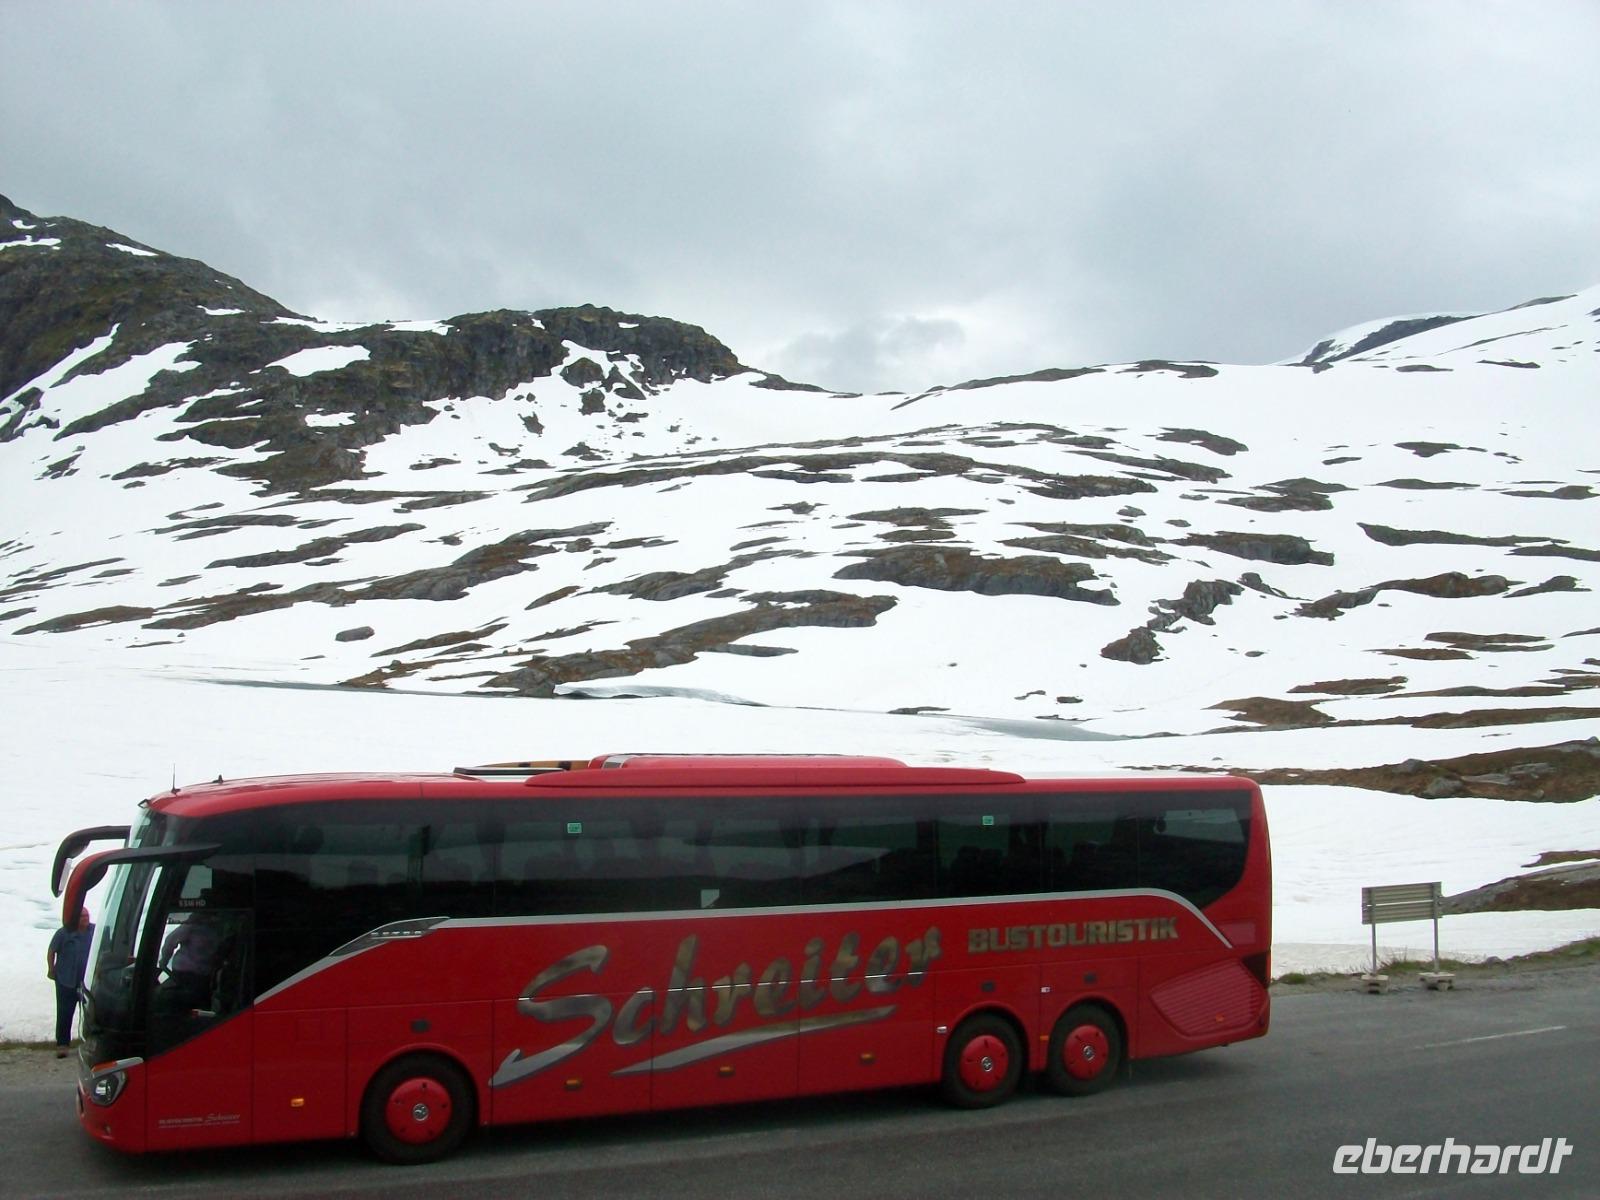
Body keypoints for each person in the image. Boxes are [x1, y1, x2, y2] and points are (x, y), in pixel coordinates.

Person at [46, 908, 94, 1057]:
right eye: (82, 916)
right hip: (65, 980)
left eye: (87, 916)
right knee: (64, 1012)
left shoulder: (94, 931)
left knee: (90, 1013)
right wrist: (51, 969)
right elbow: (51, 950)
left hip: (87, 980)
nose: (85, 918)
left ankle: (90, 1043)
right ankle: (62, 1044)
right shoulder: (63, 933)